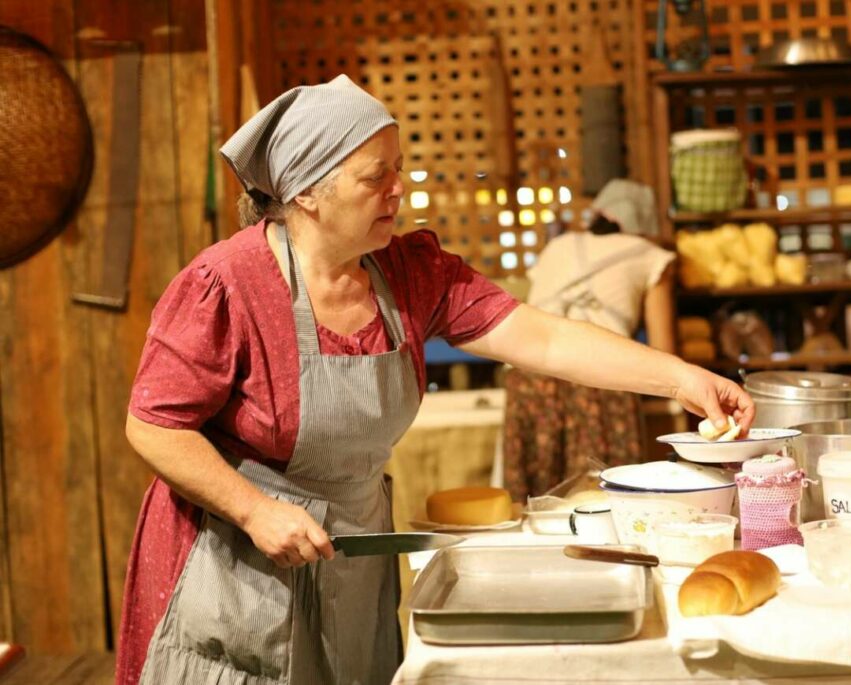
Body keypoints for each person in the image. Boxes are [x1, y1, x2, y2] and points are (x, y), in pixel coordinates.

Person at [116, 75, 754, 685]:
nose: (399, 190)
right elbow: (153, 425)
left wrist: (680, 379)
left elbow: (543, 336)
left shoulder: (410, 272)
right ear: (307, 191)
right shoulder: (226, 286)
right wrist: (255, 510)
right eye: (376, 176)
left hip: (351, 556)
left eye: (398, 168)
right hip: (234, 562)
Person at [502, 179, 679, 500]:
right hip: (598, 379)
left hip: (530, 377)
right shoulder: (652, 256)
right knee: (600, 498)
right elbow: (663, 349)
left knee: (536, 503)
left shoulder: (558, 246)